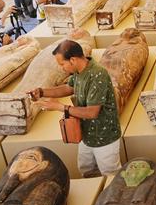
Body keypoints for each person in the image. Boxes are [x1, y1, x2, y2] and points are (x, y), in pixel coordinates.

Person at [30, 40, 121, 177]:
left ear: (72, 60)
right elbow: (68, 88)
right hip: (86, 135)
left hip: (104, 138)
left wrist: (59, 107)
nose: (62, 68)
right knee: (86, 170)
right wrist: (42, 92)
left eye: (62, 64)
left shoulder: (98, 74)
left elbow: (92, 112)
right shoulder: (79, 71)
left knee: (110, 174)